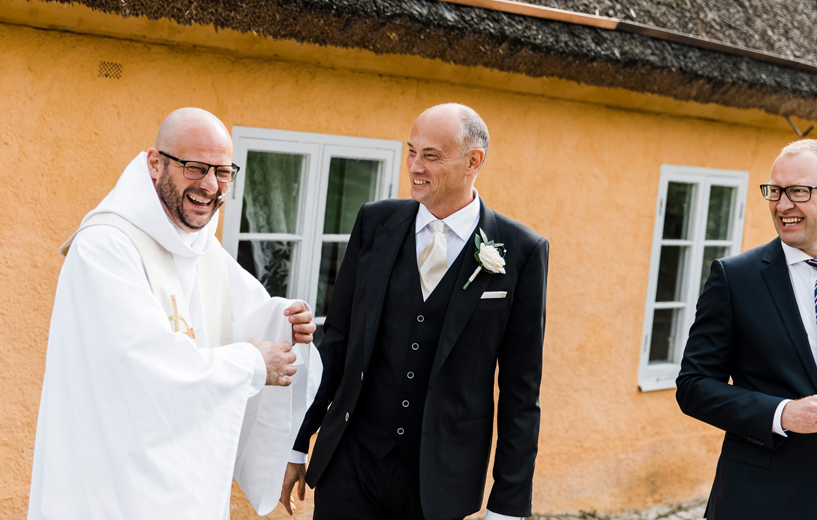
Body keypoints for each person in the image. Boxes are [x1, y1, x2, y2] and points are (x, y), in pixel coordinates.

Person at [28, 108, 322, 520]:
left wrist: (287, 322)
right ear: (154, 163)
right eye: (195, 167)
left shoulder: (204, 249)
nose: (209, 185)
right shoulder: (105, 248)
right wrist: (254, 362)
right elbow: (142, 363)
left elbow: (247, 318)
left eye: (222, 172)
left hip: (189, 489)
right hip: (112, 484)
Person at [281, 103, 549, 520]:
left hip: (441, 482)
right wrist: (296, 443)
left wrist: (507, 506)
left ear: (472, 162)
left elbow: (521, 391)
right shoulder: (375, 222)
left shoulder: (523, 251)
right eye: (411, 152)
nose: (415, 167)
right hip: (351, 464)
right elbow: (336, 342)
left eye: (431, 155)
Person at [677, 139, 817, 519]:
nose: (783, 205)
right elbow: (693, 386)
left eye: (799, 192)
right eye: (775, 191)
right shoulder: (735, 278)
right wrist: (782, 413)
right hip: (760, 500)